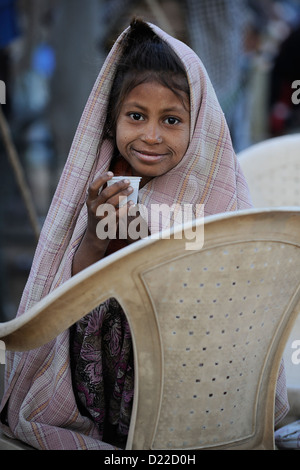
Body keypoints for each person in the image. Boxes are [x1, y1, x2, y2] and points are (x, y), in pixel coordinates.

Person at [0, 18, 288, 450]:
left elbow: (233, 289)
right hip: (109, 379)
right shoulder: (106, 185)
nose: (151, 136)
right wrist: (98, 232)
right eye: (136, 116)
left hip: (189, 366)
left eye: (171, 120)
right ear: (111, 119)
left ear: (199, 128)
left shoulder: (213, 193)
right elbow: (72, 294)